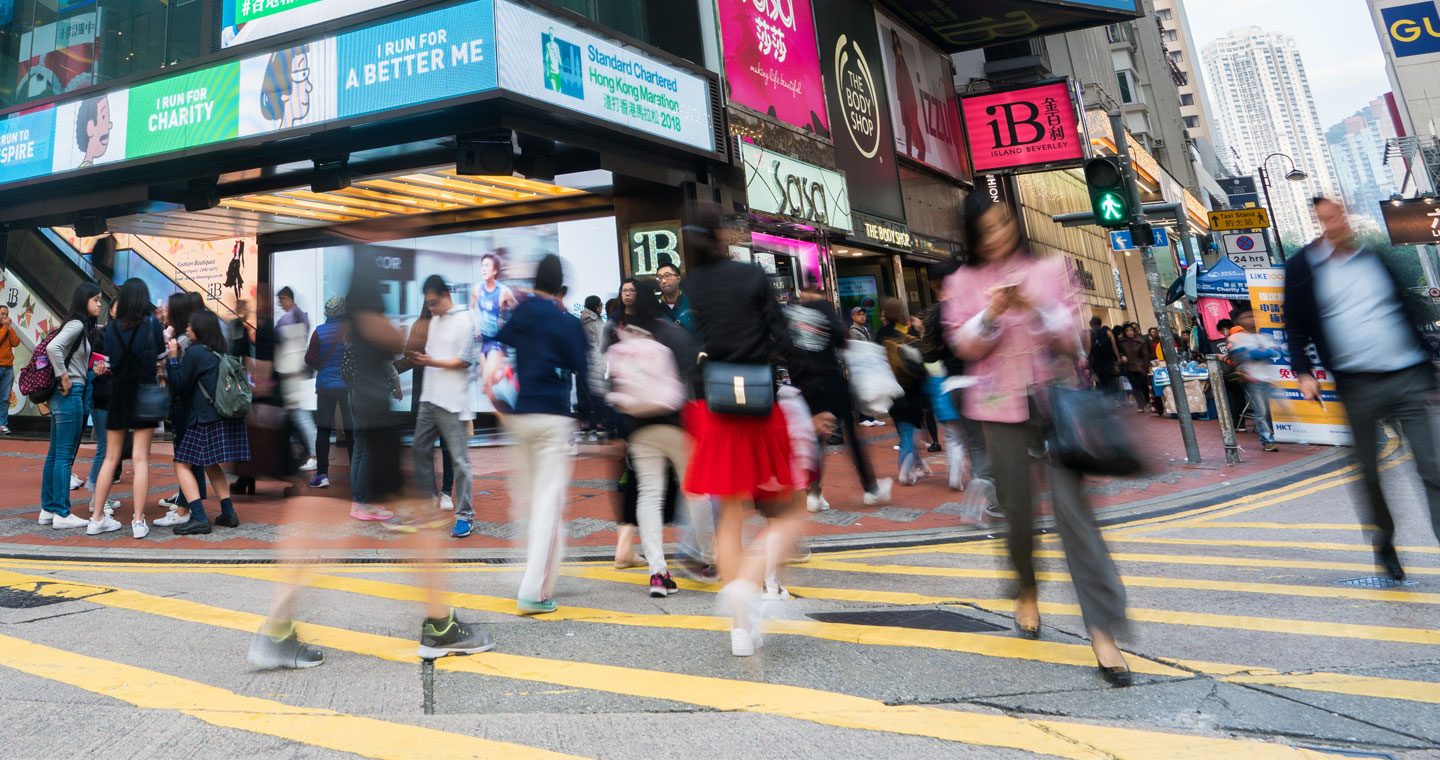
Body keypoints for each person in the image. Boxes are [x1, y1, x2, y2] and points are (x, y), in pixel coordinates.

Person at [249, 255, 493, 669]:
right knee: (405, 522)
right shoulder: (366, 276)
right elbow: (380, 334)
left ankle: (279, 628)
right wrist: (400, 336)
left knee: (360, 519)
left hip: (364, 414)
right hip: (373, 418)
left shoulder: (358, 279)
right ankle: (438, 627)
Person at [943, 192, 1131, 686]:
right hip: (998, 410)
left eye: (1003, 224)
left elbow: (1075, 338)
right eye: (986, 231)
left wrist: (1037, 306)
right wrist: (991, 314)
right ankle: (1026, 586)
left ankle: (1102, 632)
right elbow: (964, 345)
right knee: (1017, 515)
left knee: (1077, 520)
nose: (998, 236)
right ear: (973, 238)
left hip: (1059, 407)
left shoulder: (1051, 268)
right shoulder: (961, 282)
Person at [1285, 196, 1440, 581]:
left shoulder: (1373, 260)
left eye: (1339, 214)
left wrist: (1427, 373)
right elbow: (1295, 324)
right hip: (1358, 384)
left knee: (1433, 468)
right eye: (1326, 217)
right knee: (1370, 474)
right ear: (1318, 222)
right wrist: (1303, 372)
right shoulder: (1302, 268)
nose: (1336, 222)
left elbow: (1403, 310)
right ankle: (1385, 543)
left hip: (1405, 375)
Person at [679, 208, 805, 657]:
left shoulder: (695, 285)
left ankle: (739, 629)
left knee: (729, 517)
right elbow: (782, 332)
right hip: (758, 404)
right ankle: (750, 582)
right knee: (790, 511)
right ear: (723, 236)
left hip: (715, 408)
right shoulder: (751, 275)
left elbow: (700, 341)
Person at [483, 254, 589, 614]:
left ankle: (528, 572)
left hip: (520, 416)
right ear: (560, 287)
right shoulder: (565, 321)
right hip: (552, 419)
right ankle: (534, 590)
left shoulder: (521, 314)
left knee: (528, 499)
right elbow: (583, 373)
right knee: (549, 502)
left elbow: (496, 342)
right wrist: (595, 418)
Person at [602, 278, 703, 596]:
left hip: (639, 427)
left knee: (648, 495)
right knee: (696, 490)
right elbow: (695, 368)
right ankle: (710, 556)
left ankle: (657, 572)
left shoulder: (624, 334)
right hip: (674, 424)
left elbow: (612, 384)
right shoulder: (670, 330)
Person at [787, 286, 891, 510]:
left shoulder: (792, 315)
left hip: (807, 385)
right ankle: (871, 489)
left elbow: (785, 349)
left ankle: (813, 494)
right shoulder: (823, 308)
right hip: (831, 380)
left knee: (816, 439)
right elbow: (840, 338)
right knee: (852, 435)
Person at [87, 278, 166, 538]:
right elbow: (160, 357)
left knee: (111, 457)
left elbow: (109, 362)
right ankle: (138, 521)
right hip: (144, 393)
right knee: (141, 459)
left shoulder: (111, 330)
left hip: (118, 393)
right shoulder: (152, 325)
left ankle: (97, 517)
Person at [164, 310, 248, 534]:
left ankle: (199, 517)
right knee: (211, 463)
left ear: (200, 329)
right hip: (223, 415)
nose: (188, 329)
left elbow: (179, 386)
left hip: (204, 419)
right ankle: (228, 512)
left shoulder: (195, 353)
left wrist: (173, 359)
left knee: (181, 464)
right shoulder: (219, 351)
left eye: (191, 325)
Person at [407, 276, 478, 539]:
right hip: (429, 398)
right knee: (419, 449)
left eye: (434, 303)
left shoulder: (465, 319)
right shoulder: (433, 320)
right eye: (428, 304)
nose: (432, 309)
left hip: (452, 401)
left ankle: (465, 516)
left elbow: (463, 361)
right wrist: (421, 359)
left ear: (447, 294)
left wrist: (431, 361)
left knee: (460, 461)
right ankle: (428, 504)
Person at [39, 284, 104, 530]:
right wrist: (64, 376)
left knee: (55, 453)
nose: (99, 304)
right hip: (70, 391)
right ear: (84, 300)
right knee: (65, 456)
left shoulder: (77, 325)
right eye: (96, 299)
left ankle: (49, 508)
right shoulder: (77, 324)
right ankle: (62, 513)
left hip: (62, 394)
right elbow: (53, 348)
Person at [156, 293, 209, 526]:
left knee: (184, 458)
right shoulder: (181, 339)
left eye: (167, 307)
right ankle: (184, 505)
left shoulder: (183, 343)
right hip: (186, 405)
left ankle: (184, 510)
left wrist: (168, 363)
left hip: (183, 406)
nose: (164, 309)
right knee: (188, 458)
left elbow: (180, 379)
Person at [304, 297, 351, 489]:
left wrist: (321, 367)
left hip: (325, 387)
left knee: (323, 430)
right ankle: (356, 472)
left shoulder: (319, 332)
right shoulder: (350, 330)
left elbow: (308, 358)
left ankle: (322, 474)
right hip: (347, 387)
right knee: (350, 430)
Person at [877, 298, 925, 485]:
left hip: (890, 386)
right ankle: (906, 467)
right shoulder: (908, 331)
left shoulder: (880, 334)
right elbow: (920, 360)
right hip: (911, 386)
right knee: (909, 429)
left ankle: (916, 463)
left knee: (903, 426)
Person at [276, 286, 317, 471]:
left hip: (292, 377)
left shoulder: (290, 319)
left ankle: (314, 454)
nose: (279, 303)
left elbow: (291, 350)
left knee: (302, 418)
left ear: (287, 298)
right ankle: (309, 454)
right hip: (296, 375)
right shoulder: (301, 315)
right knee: (300, 418)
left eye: (281, 299)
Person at [1226, 310, 1279, 452]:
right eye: (1246, 317)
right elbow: (1236, 356)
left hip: (1268, 379)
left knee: (1268, 412)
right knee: (1261, 412)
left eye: (1251, 317)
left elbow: (1274, 351)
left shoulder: (1263, 337)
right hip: (1253, 380)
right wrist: (1254, 354)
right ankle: (1267, 441)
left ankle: (1270, 436)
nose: (1250, 320)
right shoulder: (1237, 338)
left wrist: (1256, 353)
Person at [472, 252, 517, 356]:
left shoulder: (504, 291)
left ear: (495, 271)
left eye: (487, 266)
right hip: (484, 341)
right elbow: (472, 308)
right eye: (482, 266)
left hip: (498, 342)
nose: (483, 269)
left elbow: (519, 311)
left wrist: (507, 324)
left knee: (489, 372)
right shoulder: (477, 289)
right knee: (483, 371)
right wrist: (476, 325)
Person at [1116, 325, 1152, 413]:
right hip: (1129, 367)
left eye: (1131, 330)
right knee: (1135, 386)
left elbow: (1146, 355)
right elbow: (1118, 351)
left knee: (1143, 385)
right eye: (1127, 330)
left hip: (1140, 367)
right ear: (1124, 332)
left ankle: (1147, 401)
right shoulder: (1121, 342)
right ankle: (1140, 405)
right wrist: (1122, 356)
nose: (1130, 332)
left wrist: (1145, 366)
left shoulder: (1141, 341)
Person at [655, 263, 695, 333]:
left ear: (678, 278)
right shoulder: (657, 308)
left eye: (667, 276)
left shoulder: (692, 302)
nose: (663, 281)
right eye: (659, 277)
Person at [1088, 319, 1121, 399]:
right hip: (1109, 360)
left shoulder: (1089, 333)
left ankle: (1106, 397)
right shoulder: (1108, 332)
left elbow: (1088, 348)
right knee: (1111, 378)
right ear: (1100, 323)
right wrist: (1118, 358)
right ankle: (1114, 396)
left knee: (1102, 380)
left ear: (1091, 324)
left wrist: (1089, 361)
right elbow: (1114, 346)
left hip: (1097, 361)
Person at [0, 304, 18, 435]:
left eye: (6, 314)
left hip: (8, 368)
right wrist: (6, 327)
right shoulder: (3, 328)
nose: (5, 316)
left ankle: (2, 425)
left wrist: (9, 328)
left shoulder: (7, 328)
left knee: (5, 398)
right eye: (2, 314)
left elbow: (15, 342)